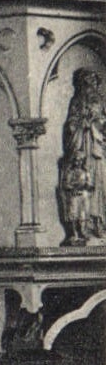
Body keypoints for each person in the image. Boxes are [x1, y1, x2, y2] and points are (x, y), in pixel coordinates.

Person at [58, 68, 106, 245]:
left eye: (92, 82)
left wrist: (97, 123)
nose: (90, 86)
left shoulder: (100, 101)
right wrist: (81, 124)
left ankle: (99, 224)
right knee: (82, 192)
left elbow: (103, 123)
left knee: (99, 186)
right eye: (86, 82)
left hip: (97, 151)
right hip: (83, 149)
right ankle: (83, 228)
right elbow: (70, 125)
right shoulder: (76, 101)